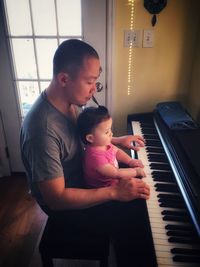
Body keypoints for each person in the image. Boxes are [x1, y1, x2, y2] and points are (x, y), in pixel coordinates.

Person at [20, 39, 151, 266]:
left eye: (96, 82)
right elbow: (56, 200)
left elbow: (86, 140)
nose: (94, 90)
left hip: (86, 180)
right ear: (63, 79)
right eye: (90, 82)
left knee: (142, 197)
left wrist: (118, 140)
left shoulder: (71, 102)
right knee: (142, 216)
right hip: (67, 207)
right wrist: (114, 193)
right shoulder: (42, 129)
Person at [77, 105, 145, 188]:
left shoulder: (103, 143)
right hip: (103, 190)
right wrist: (135, 172)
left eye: (110, 130)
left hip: (114, 178)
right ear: (90, 138)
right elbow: (116, 173)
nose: (111, 134)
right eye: (106, 132)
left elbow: (117, 152)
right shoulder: (95, 157)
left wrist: (130, 161)